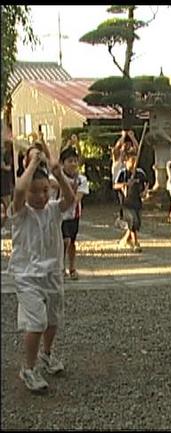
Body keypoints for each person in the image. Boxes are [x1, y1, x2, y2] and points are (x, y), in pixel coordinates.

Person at [7, 147, 75, 392]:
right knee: (36, 322)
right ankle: (28, 368)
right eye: (35, 191)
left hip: (53, 273)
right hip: (27, 275)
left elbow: (70, 199)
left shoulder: (53, 211)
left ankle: (46, 354)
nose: (40, 196)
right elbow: (19, 190)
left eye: (45, 190)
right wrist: (33, 164)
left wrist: (56, 170)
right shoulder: (20, 213)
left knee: (53, 319)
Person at [57, 147, 89, 280]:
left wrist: (69, 191)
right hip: (59, 214)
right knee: (64, 240)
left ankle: (72, 267)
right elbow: (52, 185)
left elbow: (77, 198)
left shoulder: (81, 179)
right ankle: (60, 267)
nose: (73, 164)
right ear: (62, 163)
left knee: (72, 242)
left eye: (75, 161)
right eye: (70, 161)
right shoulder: (57, 176)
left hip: (74, 215)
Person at [114, 152, 148, 252]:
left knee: (136, 223)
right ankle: (136, 243)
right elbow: (115, 185)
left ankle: (125, 240)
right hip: (126, 203)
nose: (134, 163)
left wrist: (145, 191)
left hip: (137, 202)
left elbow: (146, 182)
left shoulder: (140, 172)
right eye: (132, 161)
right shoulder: (123, 173)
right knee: (133, 220)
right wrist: (124, 185)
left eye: (135, 160)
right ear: (126, 161)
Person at [112, 130, 138, 230]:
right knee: (123, 202)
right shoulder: (117, 158)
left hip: (127, 183)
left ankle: (125, 220)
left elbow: (137, 150)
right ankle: (123, 219)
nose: (125, 147)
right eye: (124, 145)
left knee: (128, 203)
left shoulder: (129, 159)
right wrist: (123, 137)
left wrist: (132, 137)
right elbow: (116, 148)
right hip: (118, 184)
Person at [1, 139, 15, 234]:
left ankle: (7, 226)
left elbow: (9, 167)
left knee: (7, 204)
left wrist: (3, 167)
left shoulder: (8, 154)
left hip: (6, 182)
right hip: (4, 182)